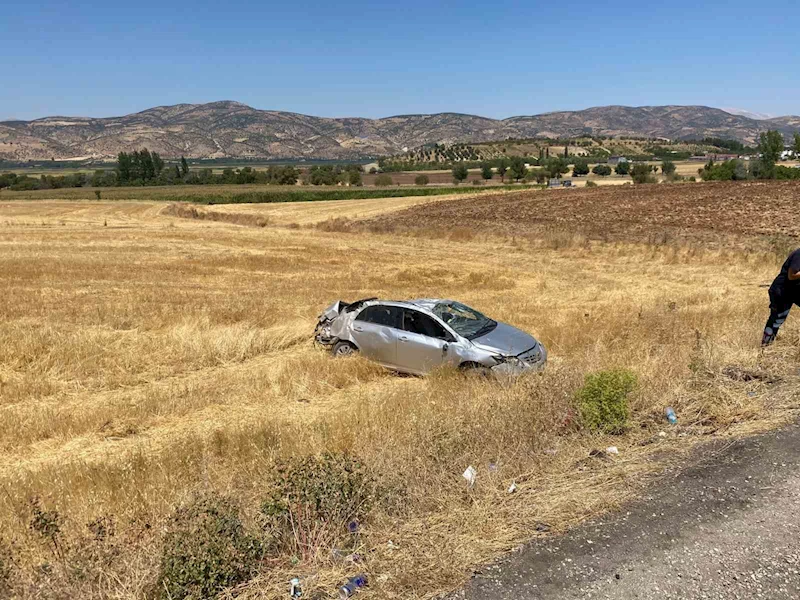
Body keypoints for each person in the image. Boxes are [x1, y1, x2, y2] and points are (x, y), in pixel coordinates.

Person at [762, 248, 800, 346]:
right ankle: (765, 348)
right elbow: (791, 275)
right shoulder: (799, 254)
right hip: (782, 291)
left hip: (795, 290)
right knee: (777, 319)